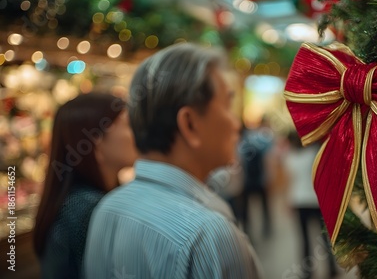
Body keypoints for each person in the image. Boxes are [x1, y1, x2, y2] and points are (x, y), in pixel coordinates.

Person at [84, 43, 262, 279]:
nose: (236, 124)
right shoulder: (208, 234)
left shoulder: (109, 208)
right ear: (189, 124)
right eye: (228, 106)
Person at [33, 93, 138, 279]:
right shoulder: (87, 209)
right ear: (97, 142)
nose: (138, 135)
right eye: (129, 125)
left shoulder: (77, 202)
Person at [284, 131, 337, 279]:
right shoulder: (313, 153)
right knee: (324, 238)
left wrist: (287, 201)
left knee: (304, 238)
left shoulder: (289, 158)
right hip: (315, 201)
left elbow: (289, 182)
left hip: (298, 201)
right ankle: (331, 268)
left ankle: (307, 272)